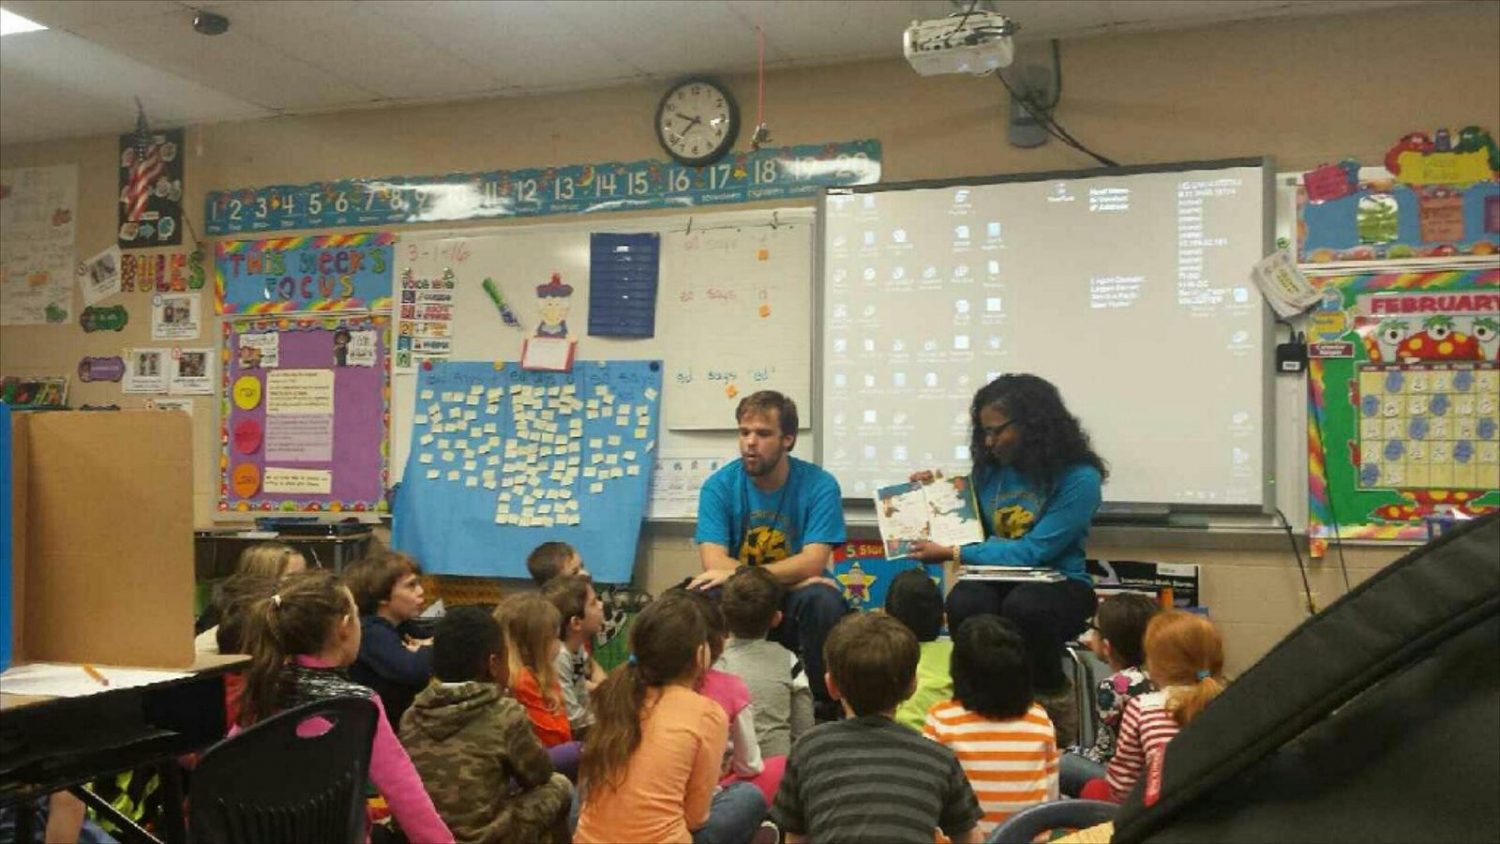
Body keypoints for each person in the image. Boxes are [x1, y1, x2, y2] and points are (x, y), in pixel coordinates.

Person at [908, 374, 1108, 746]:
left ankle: (1050, 712)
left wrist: (955, 553)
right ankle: (975, 711)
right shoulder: (989, 472)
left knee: (1026, 608)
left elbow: (1035, 551)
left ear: (1033, 425)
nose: (989, 442)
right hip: (996, 578)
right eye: (983, 432)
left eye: (998, 431)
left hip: (1061, 584)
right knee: (965, 601)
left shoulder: (1080, 478)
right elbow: (969, 532)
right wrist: (936, 495)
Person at [234, 570, 451, 843]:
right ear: (345, 627)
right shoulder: (357, 705)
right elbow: (404, 792)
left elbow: (226, 772)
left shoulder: (261, 689)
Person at [690, 390, 849, 714]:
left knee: (822, 599)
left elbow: (813, 561)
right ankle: (702, 701)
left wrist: (791, 579)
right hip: (745, 594)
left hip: (794, 598)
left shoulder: (820, 485)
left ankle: (823, 708)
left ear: (787, 439)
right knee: (701, 591)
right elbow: (713, 562)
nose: (750, 442)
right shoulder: (718, 486)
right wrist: (793, 578)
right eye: (744, 432)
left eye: (763, 434)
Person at [771, 612, 983, 843]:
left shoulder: (807, 749)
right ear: (912, 686)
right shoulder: (938, 758)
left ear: (831, 686)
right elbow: (971, 837)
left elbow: (795, 838)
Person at [574, 596, 767, 844]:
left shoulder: (613, 696)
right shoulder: (707, 713)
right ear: (701, 654)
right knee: (748, 796)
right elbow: (695, 817)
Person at [400, 607, 573, 844]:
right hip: (489, 839)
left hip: (422, 837)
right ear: (493, 663)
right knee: (560, 786)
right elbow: (538, 774)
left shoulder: (411, 715)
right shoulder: (505, 713)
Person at [924, 615, 1058, 838]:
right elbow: (1051, 801)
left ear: (958, 670)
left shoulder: (941, 719)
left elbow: (929, 800)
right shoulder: (1039, 719)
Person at [1084, 610, 1226, 803]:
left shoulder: (1143, 708)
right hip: (1222, 814)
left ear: (1155, 665)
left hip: (1158, 818)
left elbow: (1121, 788)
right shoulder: (1231, 700)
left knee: (1093, 786)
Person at [1063, 592, 1161, 793]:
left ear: (1107, 646)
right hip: (1159, 774)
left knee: (1062, 764)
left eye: (1094, 630)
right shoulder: (1162, 673)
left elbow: (1105, 754)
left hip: (1132, 783)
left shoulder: (1115, 686)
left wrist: (1067, 751)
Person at [717, 565, 814, 760]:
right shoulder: (789, 661)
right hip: (775, 775)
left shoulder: (712, 661)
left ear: (723, 615)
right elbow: (804, 729)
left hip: (722, 773)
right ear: (777, 619)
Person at [494, 593, 580, 780]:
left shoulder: (536, 676)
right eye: (555, 638)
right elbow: (556, 738)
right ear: (536, 644)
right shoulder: (522, 682)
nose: (559, 645)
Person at [345, 550, 434, 728]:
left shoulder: (401, 625)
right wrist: (431, 647)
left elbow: (431, 641)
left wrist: (428, 645)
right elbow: (414, 670)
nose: (421, 591)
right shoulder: (371, 632)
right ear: (382, 595)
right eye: (411, 586)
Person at [194, 542, 307, 652]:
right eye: (292, 577)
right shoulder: (233, 616)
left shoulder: (294, 609)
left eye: (305, 576)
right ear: (265, 577)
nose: (302, 583)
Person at [886, 568, 954, 732]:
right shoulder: (959, 655)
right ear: (944, 619)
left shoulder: (883, 656)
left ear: (886, 617)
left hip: (894, 739)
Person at [541, 573, 606, 739]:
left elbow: (581, 692)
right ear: (576, 623)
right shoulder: (560, 657)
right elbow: (572, 717)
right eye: (593, 603)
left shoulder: (578, 649)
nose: (601, 605)